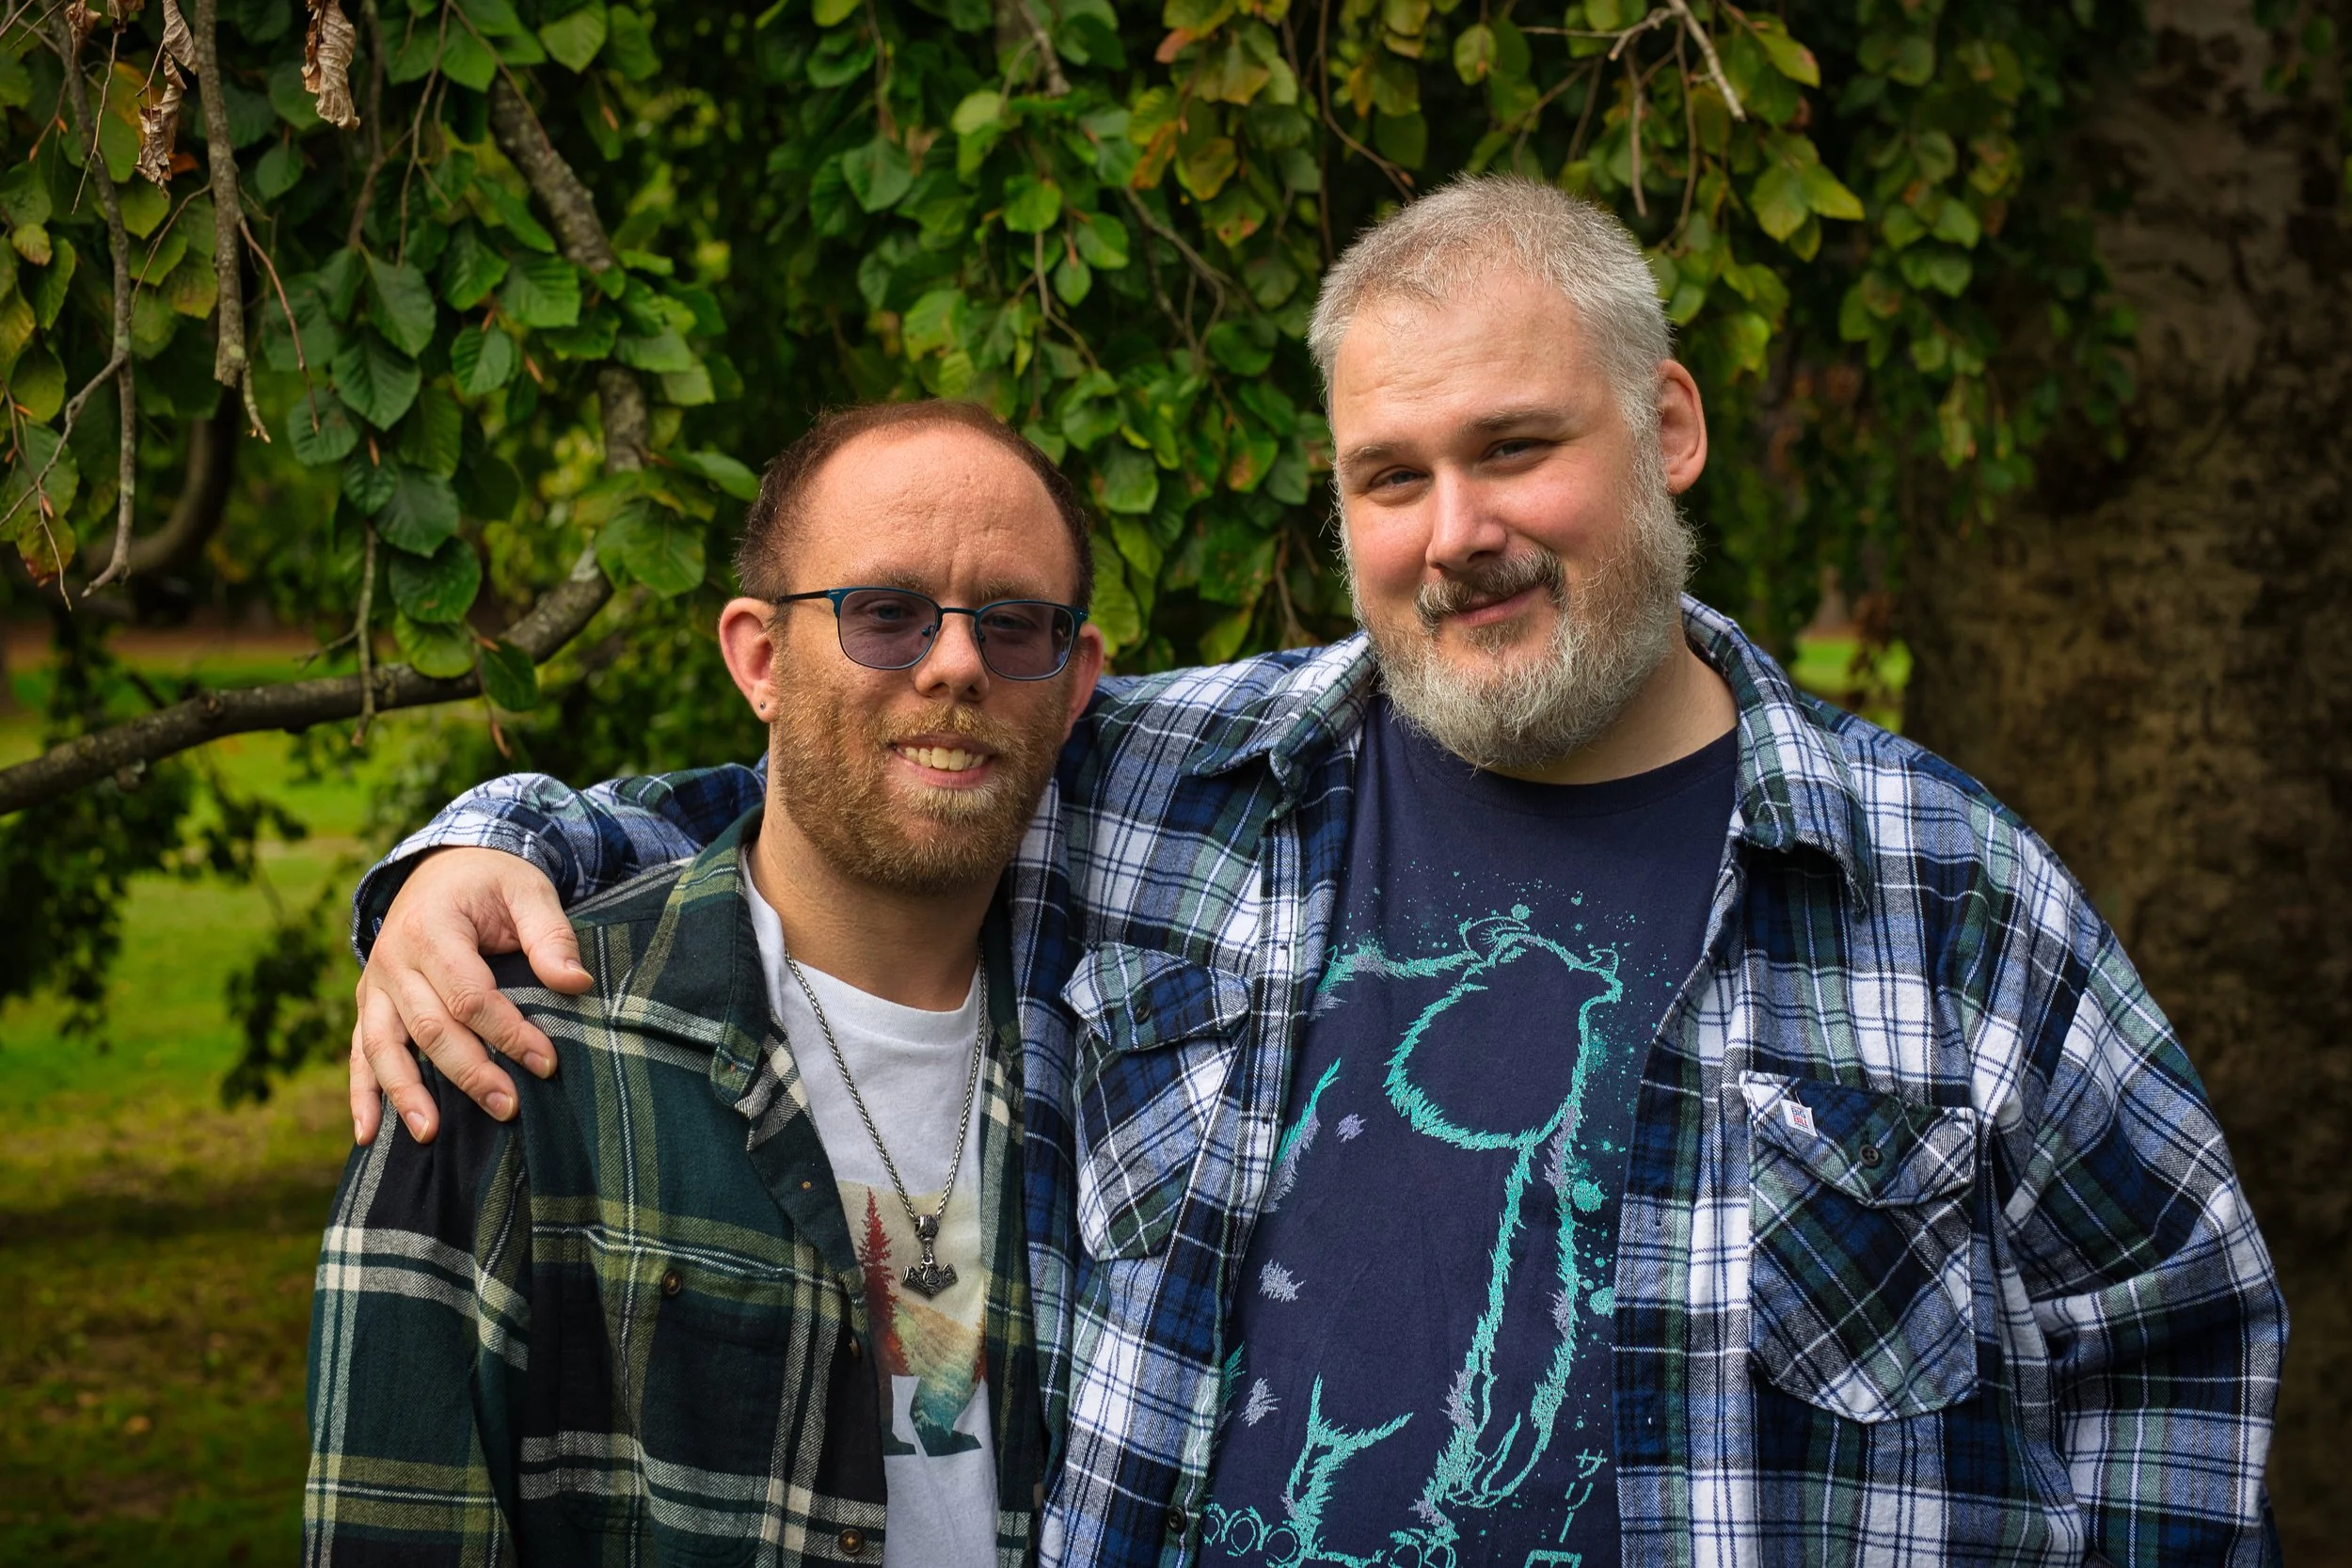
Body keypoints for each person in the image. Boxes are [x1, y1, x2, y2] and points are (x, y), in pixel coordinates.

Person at [344, 178, 2285, 1566]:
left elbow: (2170, 1340)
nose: (1456, 532)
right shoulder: (1184, 783)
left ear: (1667, 428)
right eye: (1388, 473)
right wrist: (476, 854)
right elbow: (860, 774)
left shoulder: (1944, 897)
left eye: (1515, 446)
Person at [303, 400, 1106, 1564]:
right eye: (884, 614)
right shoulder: (508, 1053)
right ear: (760, 658)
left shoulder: (1142, 1058)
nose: (955, 665)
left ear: (1076, 679)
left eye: (1013, 623)